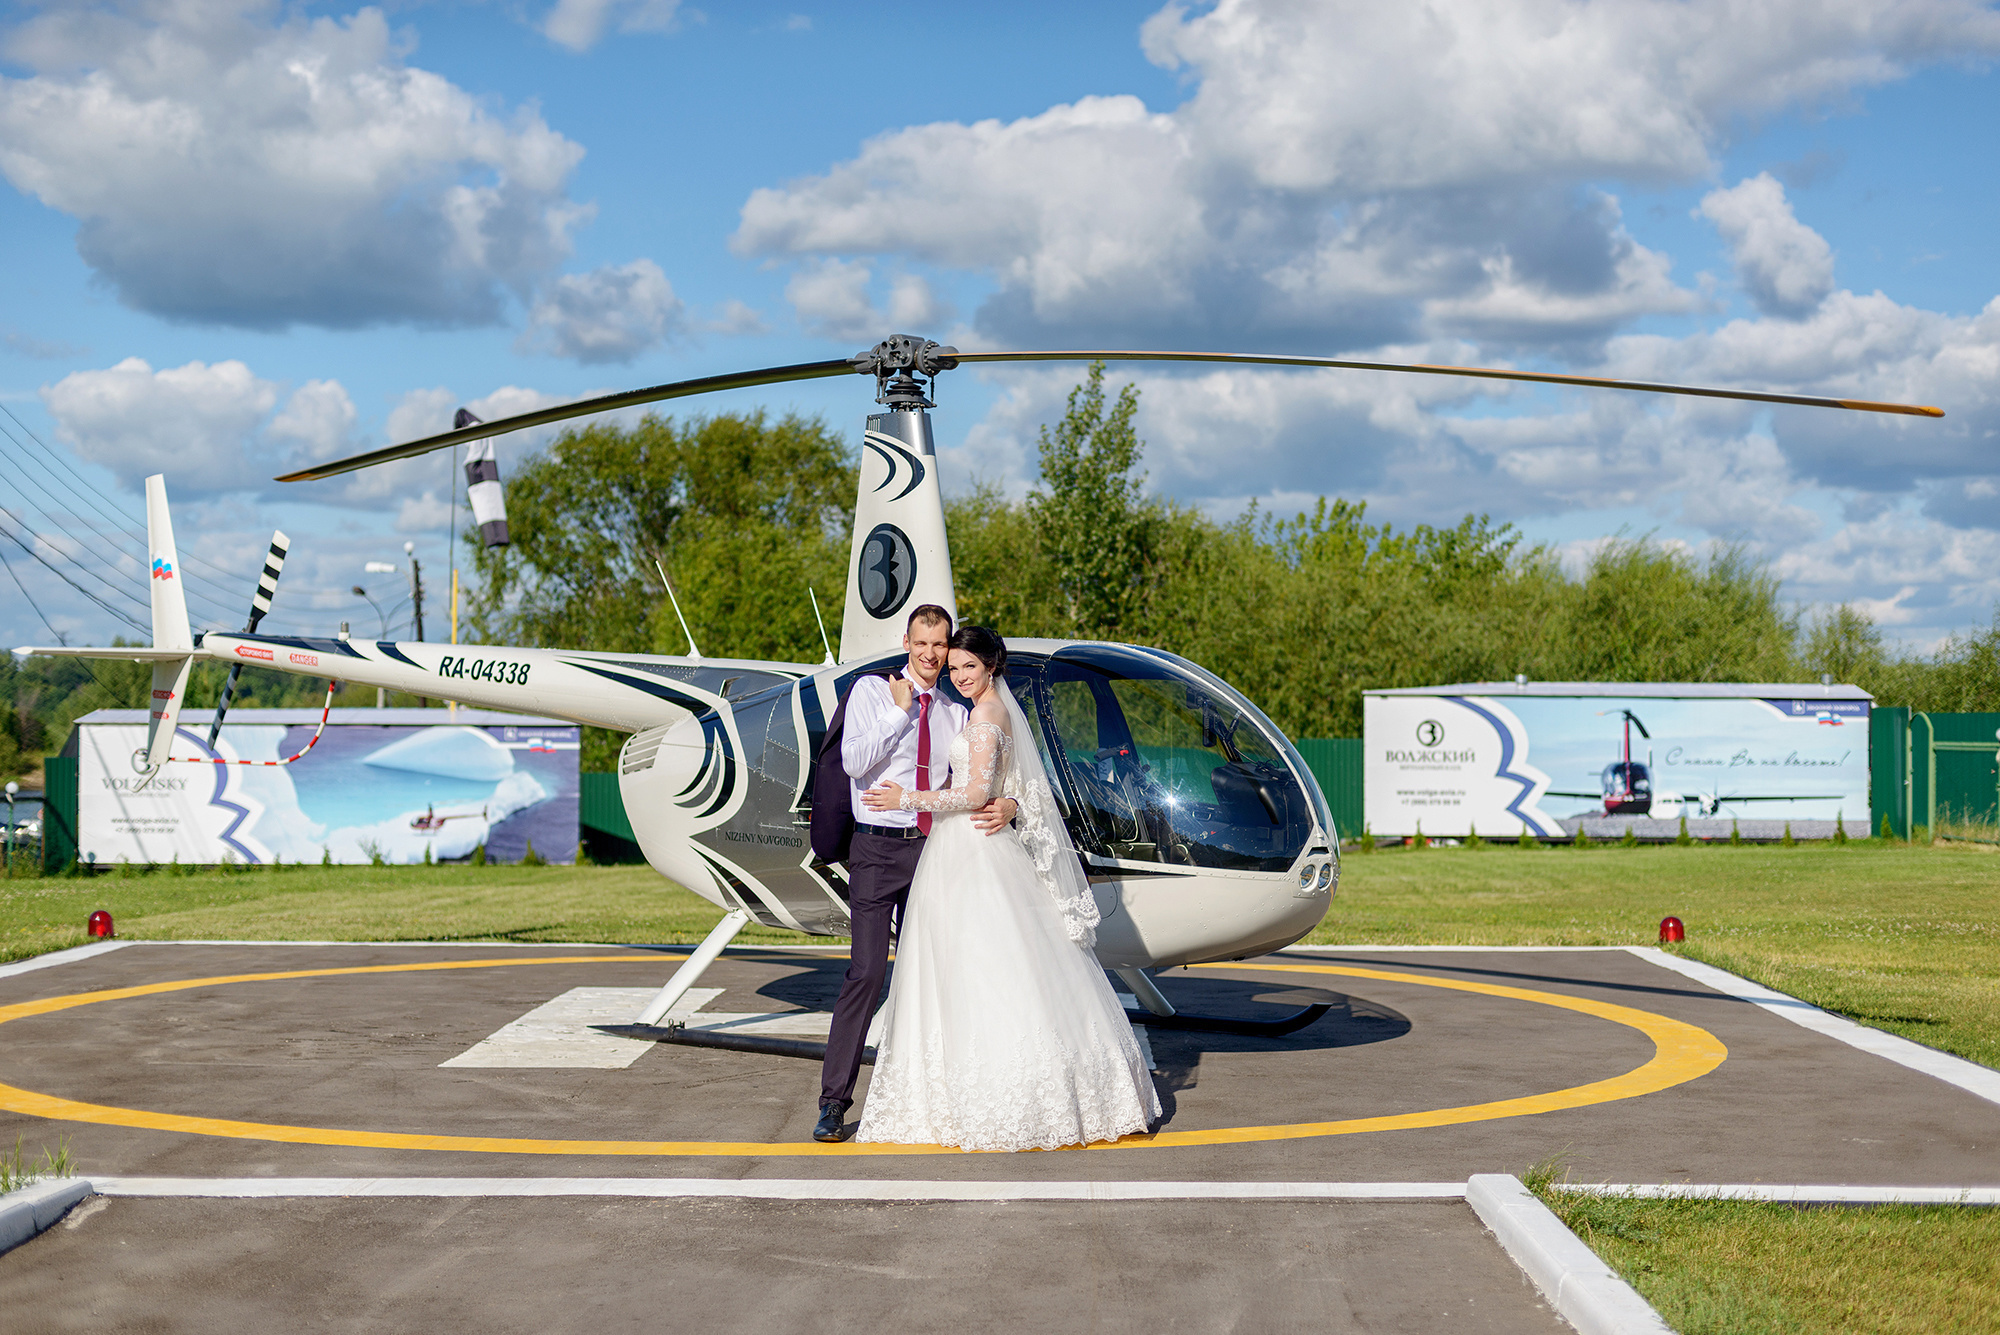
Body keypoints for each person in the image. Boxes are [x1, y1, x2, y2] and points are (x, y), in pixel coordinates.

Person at [856, 626, 1161, 1151]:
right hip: (963, 848)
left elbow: (975, 794)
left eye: (968, 667)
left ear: (991, 666)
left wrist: (907, 798)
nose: (959, 676)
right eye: (954, 668)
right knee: (970, 967)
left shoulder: (985, 715)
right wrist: (1011, 803)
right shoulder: (987, 712)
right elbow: (1011, 785)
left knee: (979, 968)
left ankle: (1000, 1098)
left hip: (972, 850)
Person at [812, 605, 1017, 1144]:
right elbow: (854, 762)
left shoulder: (955, 711)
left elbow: (977, 779)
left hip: (932, 849)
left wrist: (1010, 802)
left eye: (939, 645)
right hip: (876, 850)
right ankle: (833, 1102)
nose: (930, 654)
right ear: (906, 641)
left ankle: (937, 1098)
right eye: (921, 643)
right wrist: (899, 713)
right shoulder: (871, 692)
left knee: (934, 973)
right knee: (867, 974)